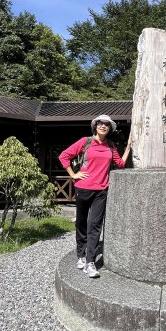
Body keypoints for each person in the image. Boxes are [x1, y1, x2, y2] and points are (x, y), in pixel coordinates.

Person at [59, 115, 131, 278]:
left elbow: (120, 164)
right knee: (82, 223)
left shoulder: (110, 146)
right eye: (100, 123)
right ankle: (81, 255)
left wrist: (127, 148)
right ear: (95, 126)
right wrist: (73, 175)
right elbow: (64, 156)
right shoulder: (85, 142)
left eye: (107, 124)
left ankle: (90, 262)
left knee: (95, 225)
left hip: (101, 190)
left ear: (109, 129)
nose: (103, 126)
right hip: (82, 188)